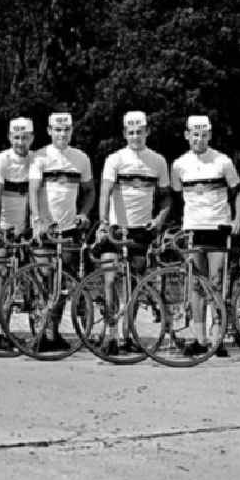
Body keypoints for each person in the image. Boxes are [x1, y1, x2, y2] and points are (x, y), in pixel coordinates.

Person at [97, 110, 172, 354]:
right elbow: (105, 192)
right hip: (116, 228)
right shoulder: (115, 159)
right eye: (131, 133)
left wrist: (160, 219)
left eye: (140, 132)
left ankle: (126, 335)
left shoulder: (158, 161)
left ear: (147, 132)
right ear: (124, 134)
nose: (135, 137)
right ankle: (110, 334)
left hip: (141, 231)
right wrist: (103, 223)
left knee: (133, 286)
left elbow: (166, 198)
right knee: (110, 280)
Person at [170, 115, 240, 357]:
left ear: (209, 135)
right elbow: (179, 195)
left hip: (218, 228)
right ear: (187, 135)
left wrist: (236, 220)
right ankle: (199, 338)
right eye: (194, 134)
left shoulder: (223, 161)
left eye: (203, 135)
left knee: (217, 282)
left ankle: (217, 337)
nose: (199, 139)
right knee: (196, 284)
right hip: (193, 228)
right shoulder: (179, 164)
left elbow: (237, 193)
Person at [29, 111, 95, 351]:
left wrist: (84, 213)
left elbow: (89, 191)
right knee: (44, 279)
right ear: (49, 131)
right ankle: (39, 333)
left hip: (68, 229)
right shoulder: (40, 156)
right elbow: (33, 190)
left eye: (66, 130)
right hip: (45, 229)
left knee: (61, 284)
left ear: (71, 131)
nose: (62, 134)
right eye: (57, 130)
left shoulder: (81, 158)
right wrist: (37, 219)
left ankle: (52, 333)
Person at [0, 116, 35, 351]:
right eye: (16, 137)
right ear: (9, 137)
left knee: (16, 279)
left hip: (22, 227)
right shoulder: (0, 160)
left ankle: (6, 328)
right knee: (0, 275)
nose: (20, 142)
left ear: (31, 138)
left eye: (24, 137)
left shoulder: (36, 160)